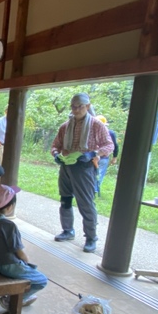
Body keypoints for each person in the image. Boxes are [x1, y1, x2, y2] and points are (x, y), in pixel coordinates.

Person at [51, 92, 114, 253]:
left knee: (85, 203)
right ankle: (68, 230)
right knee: (65, 199)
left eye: (80, 106)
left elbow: (109, 145)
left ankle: (91, 237)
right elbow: (55, 145)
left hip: (85, 166)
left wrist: (93, 153)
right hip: (66, 166)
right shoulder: (65, 126)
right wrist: (56, 155)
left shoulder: (96, 125)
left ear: (88, 106)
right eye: (73, 106)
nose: (76, 110)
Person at [0, 184, 48, 310]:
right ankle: (10, 300)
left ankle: (15, 294)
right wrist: (26, 261)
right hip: (7, 266)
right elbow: (19, 253)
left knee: (29, 270)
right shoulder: (7, 225)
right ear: (10, 207)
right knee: (41, 280)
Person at [94, 116, 119, 195]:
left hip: (94, 156)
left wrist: (114, 157)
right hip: (102, 156)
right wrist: (114, 157)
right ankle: (95, 189)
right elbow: (115, 145)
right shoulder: (111, 133)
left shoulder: (92, 132)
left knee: (93, 173)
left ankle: (93, 189)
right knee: (100, 173)